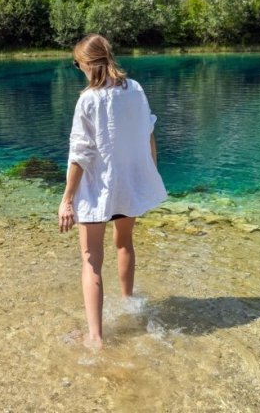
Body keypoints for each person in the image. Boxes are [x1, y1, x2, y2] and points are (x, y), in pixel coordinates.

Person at [58, 34, 167, 350]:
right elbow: (149, 135)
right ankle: (130, 304)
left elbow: (81, 154)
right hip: (128, 186)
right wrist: (148, 175)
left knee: (91, 260)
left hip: (97, 190)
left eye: (78, 64)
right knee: (124, 244)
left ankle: (95, 337)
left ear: (88, 63)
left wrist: (67, 199)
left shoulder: (89, 100)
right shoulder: (135, 90)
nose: (78, 69)